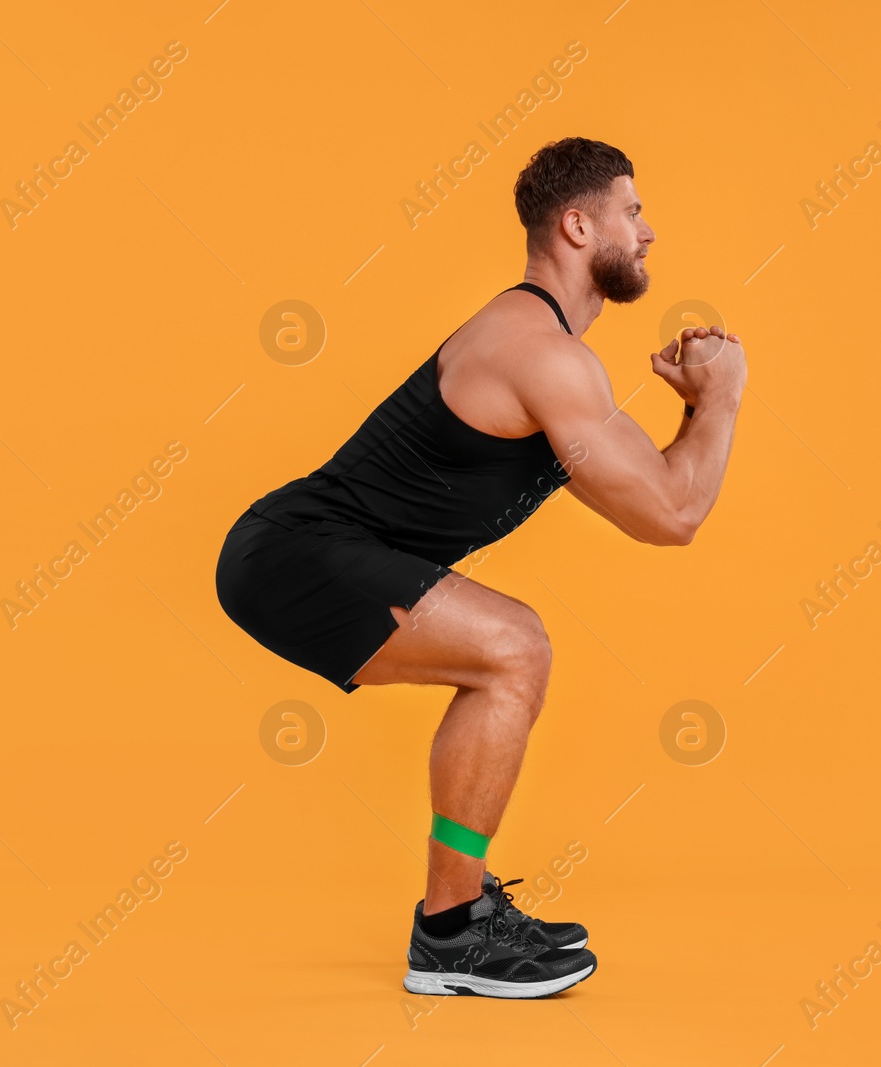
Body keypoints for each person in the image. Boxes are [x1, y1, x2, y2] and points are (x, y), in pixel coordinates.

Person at [215, 137, 745, 998]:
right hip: (292, 551)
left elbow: (657, 498)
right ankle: (454, 931)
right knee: (514, 648)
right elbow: (676, 514)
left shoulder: (550, 352)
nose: (649, 232)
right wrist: (722, 399)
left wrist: (700, 415)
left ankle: (455, 920)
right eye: (633, 210)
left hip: (302, 550)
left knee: (508, 652)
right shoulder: (540, 354)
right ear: (578, 224)